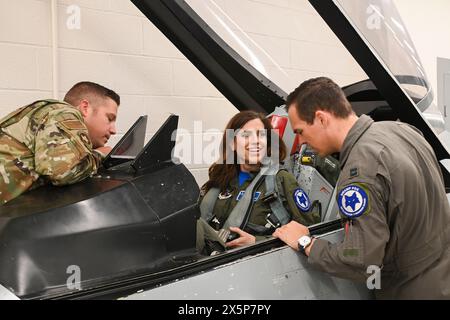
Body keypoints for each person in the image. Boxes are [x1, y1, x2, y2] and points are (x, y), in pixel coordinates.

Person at [273, 77, 450, 299]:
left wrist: (305, 242)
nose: (301, 141)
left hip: (409, 290)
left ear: (321, 118)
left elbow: (361, 263)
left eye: (300, 131)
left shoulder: (361, 170)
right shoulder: (403, 130)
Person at [197, 111, 320, 255]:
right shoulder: (219, 180)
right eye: (246, 135)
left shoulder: (281, 180)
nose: (255, 141)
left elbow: (312, 232)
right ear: (232, 144)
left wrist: (257, 242)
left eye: (261, 135)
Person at [0, 81, 119, 205]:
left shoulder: (48, 113)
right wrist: (99, 154)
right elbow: (61, 172)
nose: (113, 130)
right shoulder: (64, 113)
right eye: (109, 119)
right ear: (85, 108)